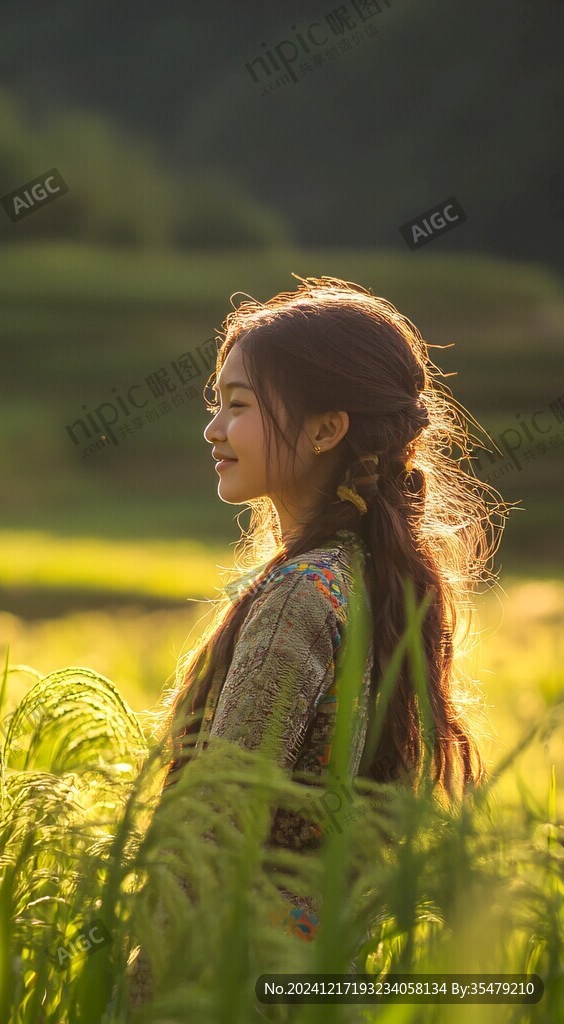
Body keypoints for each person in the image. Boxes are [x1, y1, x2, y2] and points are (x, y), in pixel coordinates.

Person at [123, 275, 505, 1011]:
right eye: (216, 404)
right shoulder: (370, 581)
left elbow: (217, 826)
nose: (212, 429)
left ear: (328, 429)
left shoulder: (304, 594)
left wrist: (139, 995)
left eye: (237, 406)